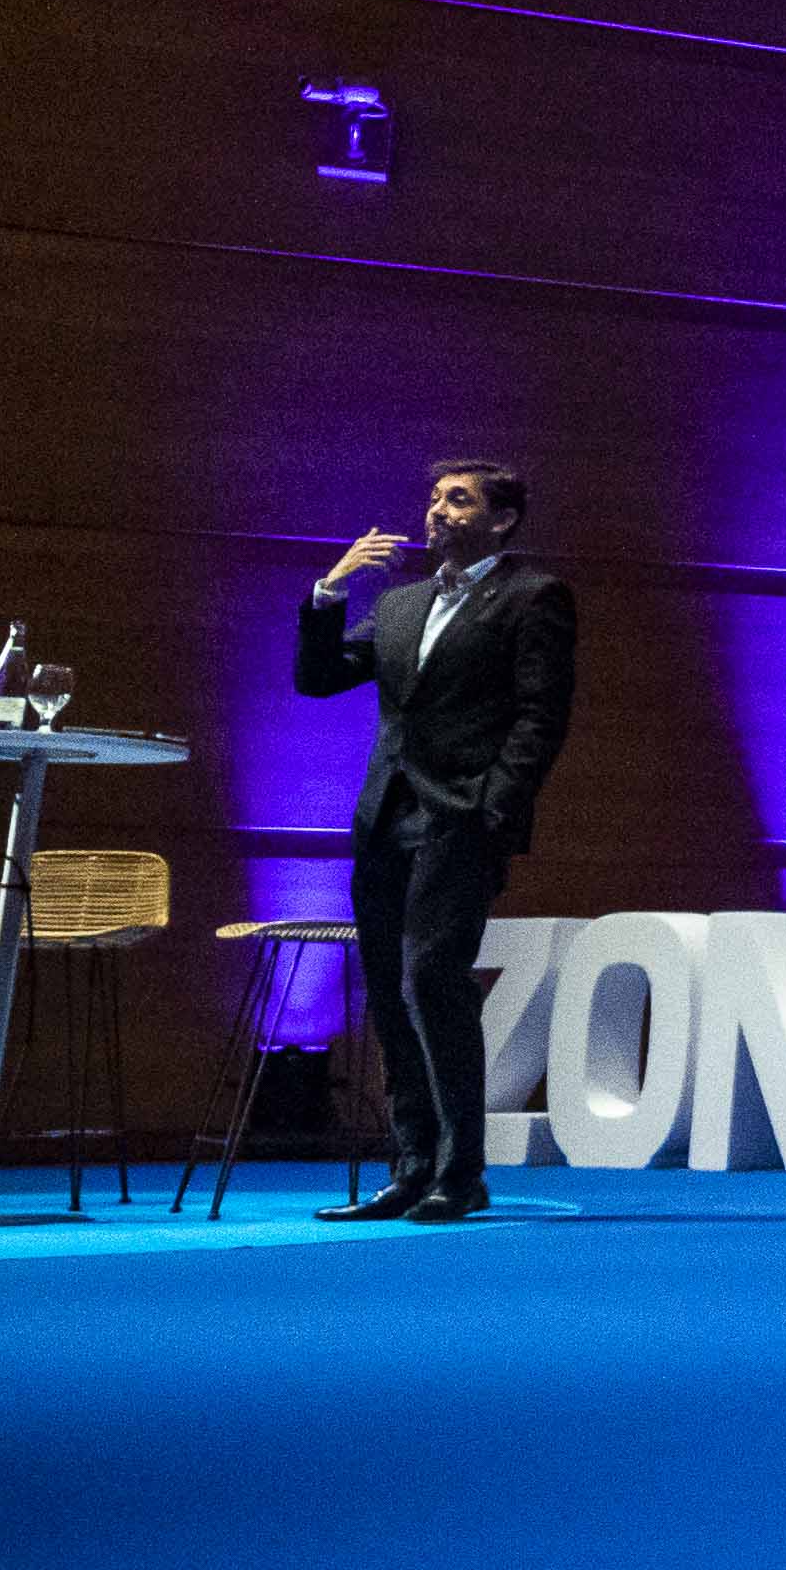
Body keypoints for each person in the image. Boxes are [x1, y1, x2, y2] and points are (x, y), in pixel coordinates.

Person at [293, 456, 577, 1225]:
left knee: (431, 981)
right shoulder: (399, 603)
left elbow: (539, 716)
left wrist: (494, 809)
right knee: (388, 992)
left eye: (459, 499)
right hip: (385, 816)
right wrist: (329, 590)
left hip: (462, 818)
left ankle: (462, 1170)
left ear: (503, 518)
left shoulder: (532, 596)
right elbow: (317, 677)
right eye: (434, 497)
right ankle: (412, 1168)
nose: (437, 510)